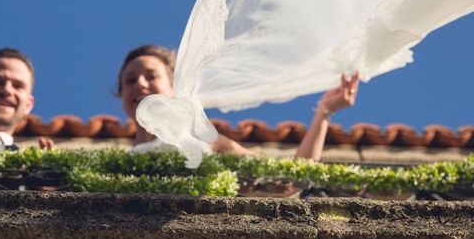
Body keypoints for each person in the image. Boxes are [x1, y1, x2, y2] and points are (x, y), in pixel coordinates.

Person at [118, 45, 358, 161]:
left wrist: (324, 112)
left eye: (151, 76)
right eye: (130, 80)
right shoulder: (117, 166)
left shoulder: (207, 142)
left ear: (174, 88)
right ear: (122, 96)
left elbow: (289, 180)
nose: (140, 84)